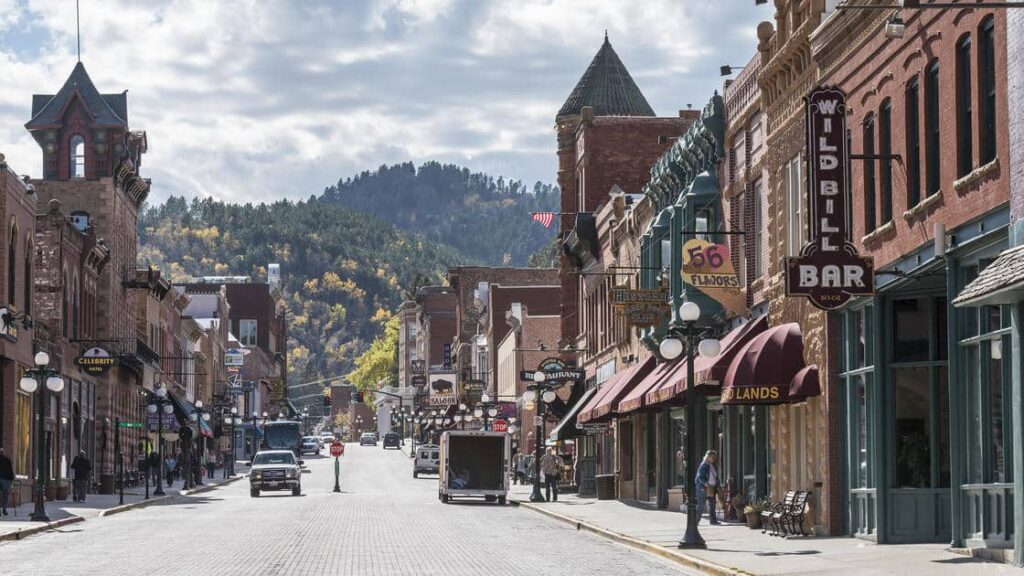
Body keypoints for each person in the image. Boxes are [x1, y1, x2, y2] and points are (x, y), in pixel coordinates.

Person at [695, 450, 721, 525]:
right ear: (708, 457)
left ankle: (713, 521)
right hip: (703, 488)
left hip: (712, 488)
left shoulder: (712, 465)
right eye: (712, 457)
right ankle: (695, 521)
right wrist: (706, 484)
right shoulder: (704, 465)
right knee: (701, 505)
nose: (714, 459)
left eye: (714, 458)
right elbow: (700, 477)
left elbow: (715, 476)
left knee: (712, 505)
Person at [0, 447, 14, 516]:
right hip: (5, 480)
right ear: (3, 453)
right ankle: (4, 509)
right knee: (5, 495)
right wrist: (12, 480)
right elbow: (10, 471)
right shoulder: (7, 460)